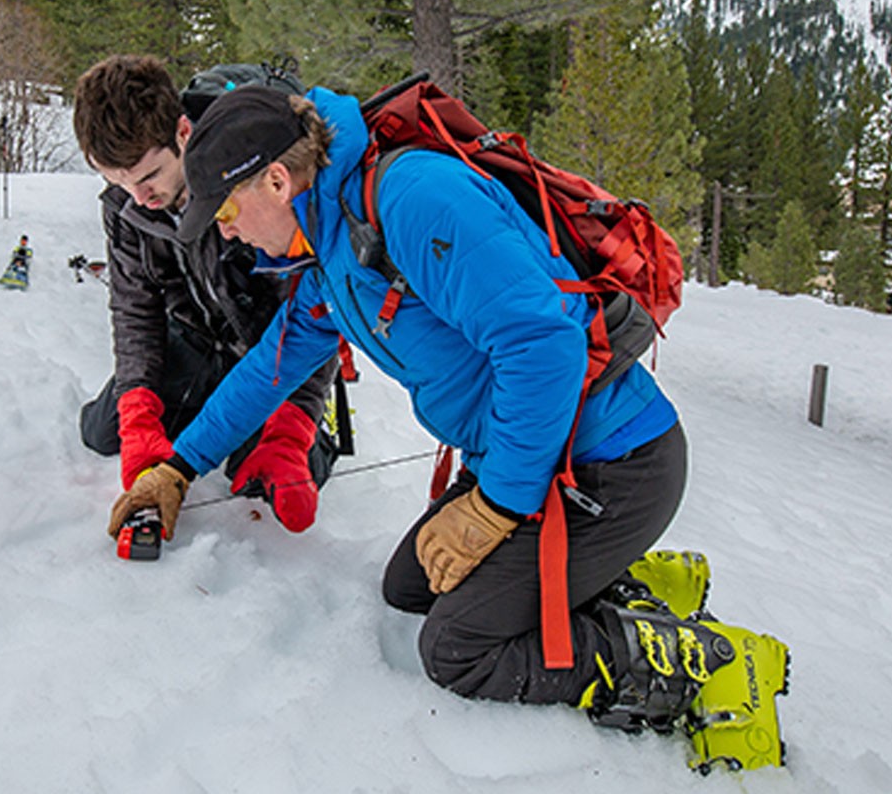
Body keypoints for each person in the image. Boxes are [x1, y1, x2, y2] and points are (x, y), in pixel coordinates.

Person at [106, 84, 786, 763]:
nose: (225, 231)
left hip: (612, 463)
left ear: (279, 180)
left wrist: (495, 509)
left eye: (226, 210)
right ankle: (635, 582)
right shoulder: (334, 246)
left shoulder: (411, 199)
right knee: (411, 586)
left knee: (460, 649)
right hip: (531, 461)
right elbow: (271, 366)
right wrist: (178, 465)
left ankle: (708, 664)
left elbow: (544, 345)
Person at [72, 56, 338, 533]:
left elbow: (314, 311)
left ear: (182, 133)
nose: (137, 197)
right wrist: (139, 417)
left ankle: (308, 428)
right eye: (117, 182)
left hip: (268, 355)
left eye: (148, 176)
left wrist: (293, 425)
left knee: (264, 474)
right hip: (193, 341)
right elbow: (136, 311)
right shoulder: (126, 206)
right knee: (103, 430)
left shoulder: (247, 172)